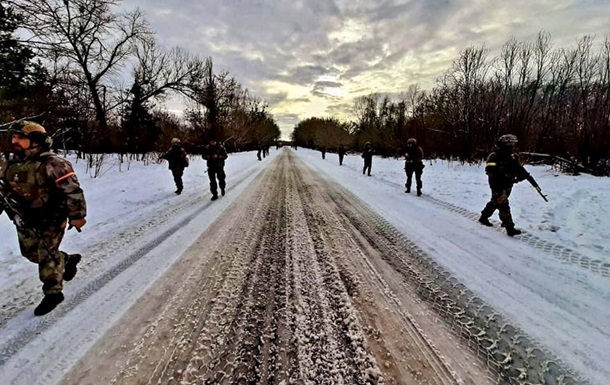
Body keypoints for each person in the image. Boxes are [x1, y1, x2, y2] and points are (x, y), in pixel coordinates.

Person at [0, 121, 87, 316]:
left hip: (51, 216)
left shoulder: (53, 163)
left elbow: (72, 191)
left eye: (20, 137)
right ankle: (66, 260)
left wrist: (77, 216)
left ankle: (53, 293)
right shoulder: (10, 163)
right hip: (24, 217)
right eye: (13, 137)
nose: (14, 141)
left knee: (47, 255)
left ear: (35, 140)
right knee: (31, 254)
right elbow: (3, 190)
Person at [478, 134, 531, 236]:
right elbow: (490, 170)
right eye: (511, 143)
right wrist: (505, 175)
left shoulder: (513, 156)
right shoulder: (494, 155)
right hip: (497, 183)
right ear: (505, 143)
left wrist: (523, 175)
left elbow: (518, 168)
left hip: (508, 183)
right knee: (503, 204)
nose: (513, 145)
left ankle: (484, 217)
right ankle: (509, 227)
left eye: (513, 143)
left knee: (495, 201)